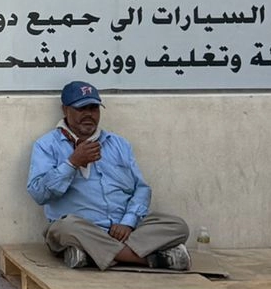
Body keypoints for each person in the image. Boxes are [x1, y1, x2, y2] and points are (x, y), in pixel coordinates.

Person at [27, 80, 190, 271]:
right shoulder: (47, 145)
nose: (88, 114)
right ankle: (149, 260)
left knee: (177, 226)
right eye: (81, 108)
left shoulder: (119, 144)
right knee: (63, 229)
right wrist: (72, 163)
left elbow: (141, 189)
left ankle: (91, 255)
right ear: (65, 110)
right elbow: (39, 194)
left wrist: (128, 222)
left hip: (125, 231)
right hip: (83, 229)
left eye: (93, 108)